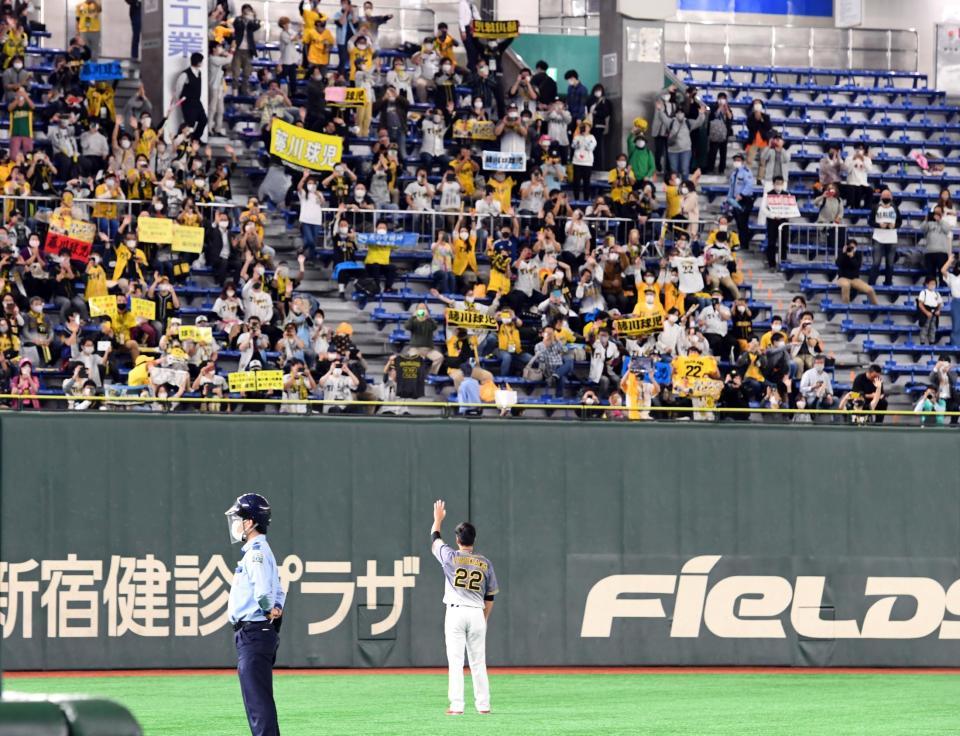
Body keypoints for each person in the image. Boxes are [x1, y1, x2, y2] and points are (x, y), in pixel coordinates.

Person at [430, 499, 497, 715]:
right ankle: (483, 705)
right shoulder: (485, 562)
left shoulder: (450, 556)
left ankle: (457, 706)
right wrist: (483, 618)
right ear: (473, 540)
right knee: (478, 662)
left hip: (456, 612)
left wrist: (437, 520)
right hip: (477, 612)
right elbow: (490, 597)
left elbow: (434, 538)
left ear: (458, 540)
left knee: (456, 662)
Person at [224, 493, 284, 736]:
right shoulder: (261, 551)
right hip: (257, 632)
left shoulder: (255, 553)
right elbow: (279, 589)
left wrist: (269, 608)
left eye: (239, 518)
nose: (236, 523)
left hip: (253, 632)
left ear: (250, 523)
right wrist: (275, 608)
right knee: (259, 701)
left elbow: (262, 592)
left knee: (258, 703)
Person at [868, 189, 901, 287]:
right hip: (878, 237)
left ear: (891, 197)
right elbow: (870, 222)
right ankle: (871, 283)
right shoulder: (876, 207)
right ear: (881, 197)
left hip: (892, 238)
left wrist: (894, 226)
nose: (886, 197)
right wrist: (879, 225)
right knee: (876, 262)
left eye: (888, 195)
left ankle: (888, 282)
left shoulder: (895, 208)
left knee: (890, 263)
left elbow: (899, 222)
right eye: (884, 195)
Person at [835, 238, 877, 305]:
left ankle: (876, 307)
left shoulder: (858, 254)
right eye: (850, 247)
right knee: (846, 285)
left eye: (853, 247)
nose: (851, 249)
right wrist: (843, 254)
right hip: (842, 278)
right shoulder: (842, 253)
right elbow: (838, 263)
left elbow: (857, 266)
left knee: (870, 289)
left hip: (855, 279)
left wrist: (852, 257)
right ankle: (846, 307)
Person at [176, 52, 207, 141]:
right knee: (190, 123)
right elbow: (178, 88)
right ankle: (185, 142)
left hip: (197, 101)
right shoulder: (185, 74)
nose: (202, 63)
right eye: (202, 61)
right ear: (198, 62)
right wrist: (180, 101)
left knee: (203, 120)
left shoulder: (199, 72)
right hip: (188, 103)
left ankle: (195, 139)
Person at [727, 153, 754, 249]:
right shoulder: (734, 173)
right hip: (735, 200)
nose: (736, 162)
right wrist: (729, 199)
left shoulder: (746, 172)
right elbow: (732, 187)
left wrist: (742, 195)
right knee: (738, 222)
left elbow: (749, 185)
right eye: (735, 160)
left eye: (738, 160)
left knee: (743, 222)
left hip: (744, 200)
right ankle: (743, 240)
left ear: (742, 161)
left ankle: (744, 244)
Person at [232, 5, 261, 97]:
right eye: (246, 10)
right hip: (238, 50)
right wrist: (244, 19)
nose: (247, 12)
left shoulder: (251, 21)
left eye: (249, 10)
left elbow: (257, 26)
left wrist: (254, 17)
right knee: (236, 72)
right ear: (242, 10)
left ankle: (244, 90)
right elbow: (237, 26)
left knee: (246, 73)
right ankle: (235, 90)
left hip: (248, 50)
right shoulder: (238, 20)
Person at [706, 92, 733, 174]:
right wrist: (719, 108)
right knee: (713, 152)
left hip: (724, 133)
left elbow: (730, 118)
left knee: (723, 153)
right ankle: (710, 169)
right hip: (715, 133)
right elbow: (713, 116)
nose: (722, 101)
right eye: (720, 98)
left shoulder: (728, 108)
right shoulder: (713, 107)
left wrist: (726, 109)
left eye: (723, 99)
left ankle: (721, 169)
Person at [916, 276, 943, 346]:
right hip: (926, 311)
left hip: (934, 311)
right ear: (927, 284)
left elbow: (939, 303)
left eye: (934, 284)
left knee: (933, 327)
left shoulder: (937, 293)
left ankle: (932, 342)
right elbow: (920, 304)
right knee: (925, 327)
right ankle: (922, 342)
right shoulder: (923, 292)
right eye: (931, 283)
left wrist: (938, 310)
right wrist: (926, 312)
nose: (933, 285)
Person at [941, 253, 960, 347]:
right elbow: (943, 270)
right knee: (956, 324)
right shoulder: (952, 278)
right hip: (956, 302)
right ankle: (956, 345)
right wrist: (949, 261)